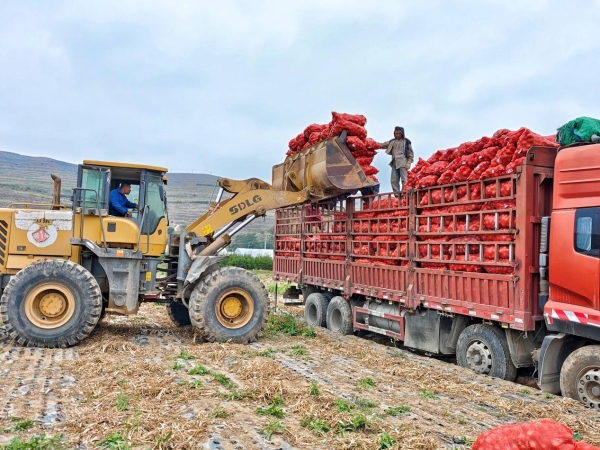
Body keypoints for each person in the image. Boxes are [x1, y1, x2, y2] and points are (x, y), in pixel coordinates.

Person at [378, 126, 414, 194]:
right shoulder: (392, 141)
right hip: (394, 162)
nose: (397, 135)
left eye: (399, 133)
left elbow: (411, 154)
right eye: (396, 133)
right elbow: (384, 145)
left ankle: (404, 193)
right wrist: (375, 144)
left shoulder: (406, 142)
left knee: (404, 180)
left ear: (402, 133)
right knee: (394, 180)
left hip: (403, 163)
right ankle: (397, 195)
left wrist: (408, 163)